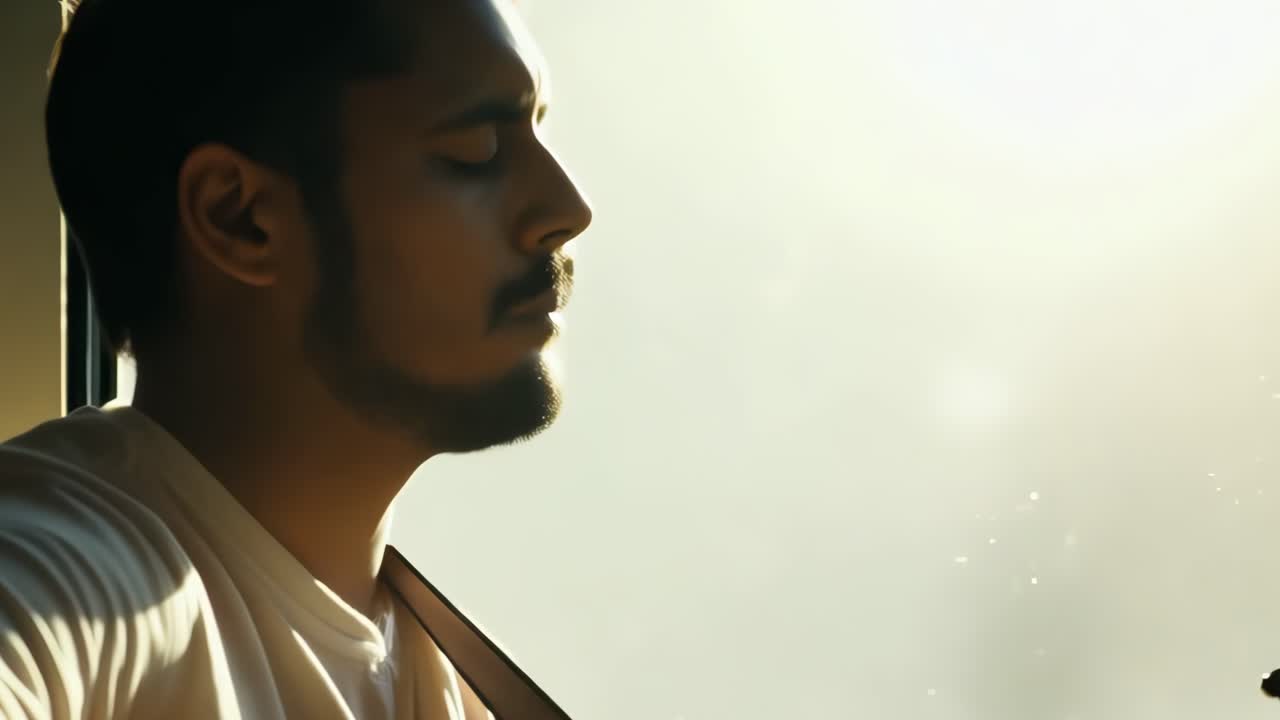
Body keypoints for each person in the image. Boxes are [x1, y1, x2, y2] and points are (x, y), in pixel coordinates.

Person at [0, 0, 593, 716]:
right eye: (476, 152)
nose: (568, 205)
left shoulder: (450, 690)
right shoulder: (66, 570)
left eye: (538, 129)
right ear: (240, 218)